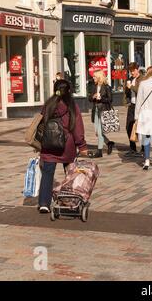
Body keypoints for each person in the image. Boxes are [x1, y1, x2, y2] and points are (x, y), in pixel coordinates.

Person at [38, 80, 88, 213]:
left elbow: (40, 124)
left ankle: (44, 203)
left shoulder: (48, 105)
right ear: (69, 91)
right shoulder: (72, 106)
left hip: (49, 146)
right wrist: (82, 145)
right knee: (70, 174)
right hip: (67, 146)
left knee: (47, 174)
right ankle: (70, 201)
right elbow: (78, 127)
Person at [87, 70, 114, 158]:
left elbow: (110, 99)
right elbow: (89, 98)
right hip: (96, 110)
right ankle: (109, 143)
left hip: (103, 110)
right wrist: (93, 97)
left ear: (99, 77)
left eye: (94, 76)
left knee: (100, 131)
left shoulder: (106, 87)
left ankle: (99, 151)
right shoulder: (94, 86)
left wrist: (101, 98)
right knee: (97, 132)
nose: (93, 78)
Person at [124, 62, 144, 157]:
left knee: (141, 128)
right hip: (132, 105)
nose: (132, 73)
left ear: (137, 69)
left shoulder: (142, 79)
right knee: (129, 126)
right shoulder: (130, 79)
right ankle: (133, 148)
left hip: (140, 106)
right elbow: (127, 92)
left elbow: (139, 91)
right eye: (130, 71)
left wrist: (131, 86)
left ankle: (144, 148)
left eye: (133, 71)